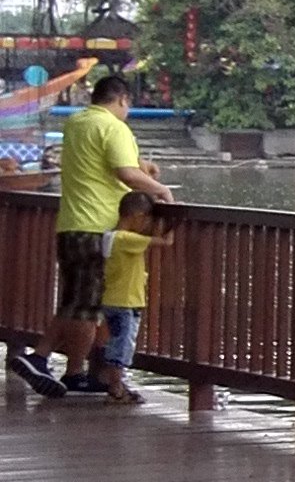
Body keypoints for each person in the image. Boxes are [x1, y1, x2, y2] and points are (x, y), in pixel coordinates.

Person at [9, 74, 174, 398]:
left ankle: (73, 372)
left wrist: (143, 166)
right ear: (123, 99)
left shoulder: (77, 123)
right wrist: (161, 191)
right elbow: (125, 173)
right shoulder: (115, 127)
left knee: (78, 299)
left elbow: (108, 161)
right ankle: (39, 358)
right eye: (128, 106)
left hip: (70, 222)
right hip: (96, 225)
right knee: (86, 304)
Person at [82, 192, 174, 405]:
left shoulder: (110, 236)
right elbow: (166, 241)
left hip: (111, 298)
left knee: (116, 340)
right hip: (126, 301)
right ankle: (115, 387)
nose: (147, 223)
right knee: (122, 344)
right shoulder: (127, 239)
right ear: (137, 215)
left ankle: (115, 383)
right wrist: (172, 216)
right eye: (147, 218)